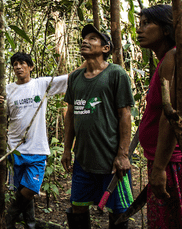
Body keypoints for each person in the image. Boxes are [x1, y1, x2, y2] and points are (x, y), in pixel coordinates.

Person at [136, 4, 182, 229]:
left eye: (147, 24)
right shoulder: (168, 58)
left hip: (173, 163)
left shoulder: (176, 57)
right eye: (140, 23)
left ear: (166, 29)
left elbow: (171, 117)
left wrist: (159, 169)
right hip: (167, 160)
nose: (140, 29)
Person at [60, 24, 135, 229]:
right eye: (85, 38)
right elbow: (71, 114)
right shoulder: (75, 77)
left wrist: (123, 154)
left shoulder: (116, 74)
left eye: (93, 38)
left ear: (105, 48)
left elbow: (125, 115)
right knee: (77, 206)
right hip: (83, 158)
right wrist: (67, 149)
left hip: (111, 160)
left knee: (118, 212)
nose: (85, 41)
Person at [0, 52, 68, 229]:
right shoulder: (9, 89)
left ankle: (8, 219)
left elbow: (69, 78)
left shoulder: (41, 84)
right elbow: (3, 118)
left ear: (30, 66)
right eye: (15, 64)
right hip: (15, 148)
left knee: (30, 189)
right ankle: (30, 224)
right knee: (22, 190)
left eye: (22, 63)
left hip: (37, 148)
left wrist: (90, 62)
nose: (18, 67)